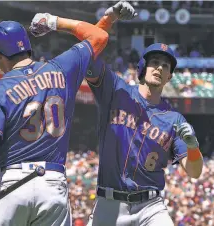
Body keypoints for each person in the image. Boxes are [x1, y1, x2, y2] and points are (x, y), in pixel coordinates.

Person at [0, 8, 116, 225]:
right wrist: (53, 21)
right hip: (52, 184)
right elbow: (99, 36)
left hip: (12, 183)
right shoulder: (62, 68)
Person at [83, 6, 204, 226]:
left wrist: (193, 147)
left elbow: (194, 172)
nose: (159, 68)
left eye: (165, 66)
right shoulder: (116, 90)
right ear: (143, 67)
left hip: (150, 207)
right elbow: (86, 54)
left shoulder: (174, 120)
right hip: (108, 204)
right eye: (155, 62)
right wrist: (109, 18)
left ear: (169, 77)